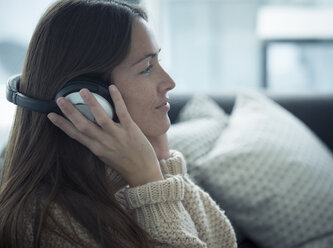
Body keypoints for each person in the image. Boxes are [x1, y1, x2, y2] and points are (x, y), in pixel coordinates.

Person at [0, 0, 237, 247]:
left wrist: (161, 162)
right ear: (87, 98)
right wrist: (149, 183)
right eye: (147, 68)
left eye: (158, 62)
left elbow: (224, 242)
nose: (169, 82)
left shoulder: (133, 175)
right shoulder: (46, 223)